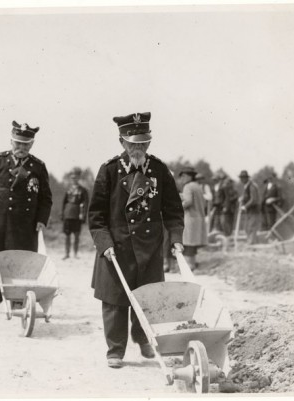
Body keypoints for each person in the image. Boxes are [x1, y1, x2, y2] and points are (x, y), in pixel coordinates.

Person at [88, 112, 184, 369]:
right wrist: (104, 243)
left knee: (147, 298)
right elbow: (95, 216)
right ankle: (115, 350)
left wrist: (176, 239)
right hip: (116, 247)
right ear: (122, 142)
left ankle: (143, 339)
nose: (138, 149)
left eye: (143, 143)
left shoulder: (160, 170)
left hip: (149, 248)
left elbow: (173, 210)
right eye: (133, 144)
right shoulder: (109, 171)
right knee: (115, 301)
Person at [0, 120, 53, 313]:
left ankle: (17, 299)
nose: (21, 147)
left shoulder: (38, 166)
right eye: (18, 143)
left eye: (26, 144)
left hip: (24, 226)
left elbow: (46, 198)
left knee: (21, 262)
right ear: (11, 142)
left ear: (32, 144)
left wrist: (41, 220)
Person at [179, 166, 208, 269]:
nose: (181, 179)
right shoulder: (197, 186)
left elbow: (188, 202)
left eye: (183, 176)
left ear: (188, 176)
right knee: (193, 242)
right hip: (198, 217)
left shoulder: (187, 187)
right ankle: (193, 263)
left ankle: (189, 266)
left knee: (188, 243)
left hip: (190, 218)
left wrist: (177, 207)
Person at [61, 167, 89, 259]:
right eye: (72, 178)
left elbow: (85, 203)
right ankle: (67, 254)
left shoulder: (83, 190)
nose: (74, 179)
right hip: (68, 214)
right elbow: (64, 203)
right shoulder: (68, 190)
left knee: (76, 236)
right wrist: (62, 214)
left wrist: (84, 216)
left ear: (78, 178)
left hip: (77, 215)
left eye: (76, 177)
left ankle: (75, 254)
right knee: (67, 236)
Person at [238, 170, 260, 245]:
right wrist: (242, 198)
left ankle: (252, 243)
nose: (241, 180)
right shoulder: (246, 186)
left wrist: (245, 206)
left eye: (243, 178)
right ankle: (252, 242)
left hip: (253, 210)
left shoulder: (252, 186)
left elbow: (253, 199)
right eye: (240, 178)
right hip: (249, 210)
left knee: (251, 226)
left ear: (246, 178)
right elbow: (246, 196)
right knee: (247, 227)